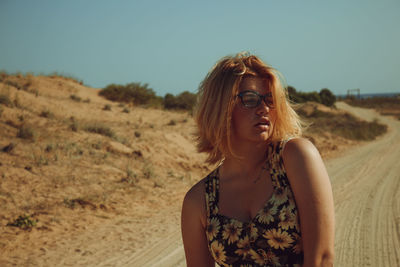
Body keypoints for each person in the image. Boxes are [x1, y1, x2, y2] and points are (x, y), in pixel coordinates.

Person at [181, 53, 334, 267]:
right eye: (250, 99)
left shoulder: (296, 157)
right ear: (221, 108)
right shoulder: (199, 201)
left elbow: (322, 258)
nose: (264, 109)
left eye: (270, 99)